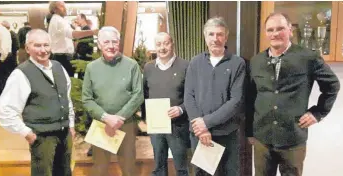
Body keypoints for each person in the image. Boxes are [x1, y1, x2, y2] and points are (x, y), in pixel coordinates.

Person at [245, 13, 340, 176]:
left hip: (292, 137)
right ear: (266, 33)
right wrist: (250, 132)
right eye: (270, 30)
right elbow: (250, 98)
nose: (275, 33)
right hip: (262, 139)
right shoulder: (256, 61)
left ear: (290, 30)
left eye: (280, 28)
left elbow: (332, 85)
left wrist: (318, 113)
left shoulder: (307, 57)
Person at [0, 29, 75, 176]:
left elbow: (67, 99)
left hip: (64, 134)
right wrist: (26, 132)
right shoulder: (21, 74)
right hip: (42, 137)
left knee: (64, 172)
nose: (43, 50)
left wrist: (70, 124)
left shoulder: (59, 67)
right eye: (37, 46)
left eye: (46, 45)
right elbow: (5, 109)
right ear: (27, 48)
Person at [184, 17, 245, 176]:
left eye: (220, 34)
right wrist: (201, 128)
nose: (215, 39)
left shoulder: (237, 63)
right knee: (201, 174)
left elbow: (236, 101)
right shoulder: (195, 62)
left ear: (226, 37)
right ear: (205, 37)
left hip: (227, 133)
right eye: (211, 34)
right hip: (199, 134)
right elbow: (189, 97)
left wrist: (206, 122)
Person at [82, 26, 144, 176]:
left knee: (129, 168)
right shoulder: (91, 68)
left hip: (126, 123)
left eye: (114, 42)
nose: (111, 46)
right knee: (100, 169)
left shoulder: (131, 65)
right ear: (99, 45)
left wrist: (119, 118)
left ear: (119, 43)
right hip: (101, 124)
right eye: (106, 42)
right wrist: (106, 117)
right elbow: (87, 99)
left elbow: (138, 95)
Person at [143, 32, 190, 176]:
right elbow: (145, 93)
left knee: (181, 167)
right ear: (154, 47)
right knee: (158, 167)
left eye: (166, 43)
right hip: (156, 126)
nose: (162, 48)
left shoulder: (185, 66)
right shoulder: (148, 68)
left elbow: (192, 96)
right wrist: (145, 118)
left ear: (172, 44)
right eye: (158, 44)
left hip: (178, 125)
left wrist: (181, 109)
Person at [48, 1, 98, 77]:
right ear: (55, 9)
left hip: (60, 57)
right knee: (68, 82)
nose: (65, 8)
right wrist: (93, 32)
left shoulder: (55, 20)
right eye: (62, 6)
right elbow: (72, 34)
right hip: (63, 58)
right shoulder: (59, 20)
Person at [0, 19, 12, 100]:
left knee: (2, 80)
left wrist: (1, 59)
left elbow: (4, 48)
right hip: (4, 56)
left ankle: (2, 99)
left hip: (3, 57)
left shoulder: (1, 30)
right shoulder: (3, 30)